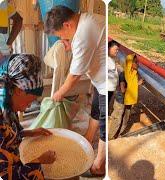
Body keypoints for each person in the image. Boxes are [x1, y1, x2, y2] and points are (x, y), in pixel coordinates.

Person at [44, 5, 106, 176]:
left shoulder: (82, 35)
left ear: (67, 25)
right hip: (100, 80)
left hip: (108, 81)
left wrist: (59, 93)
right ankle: (88, 138)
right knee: (96, 108)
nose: (62, 38)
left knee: (104, 119)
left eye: (60, 35)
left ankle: (99, 166)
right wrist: (70, 44)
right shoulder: (85, 19)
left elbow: (74, 76)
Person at [0, 54, 56, 180]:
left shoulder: (8, 101)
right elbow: (8, 174)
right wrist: (39, 160)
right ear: (20, 90)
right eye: (30, 101)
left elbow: (10, 133)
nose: (28, 107)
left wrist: (29, 133)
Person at [120, 54, 143, 135]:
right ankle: (113, 137)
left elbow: (133, 85)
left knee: (125, 119)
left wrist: (137, 83)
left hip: (128, 101)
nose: (138, 64)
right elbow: (123, 90)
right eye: (136, 62)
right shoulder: (124, 75)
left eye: (138, 62)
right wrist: (137, 84)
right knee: (120, 119)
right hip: (122, 101)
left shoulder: (134, 73)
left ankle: (120, 133)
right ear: (130, 63)